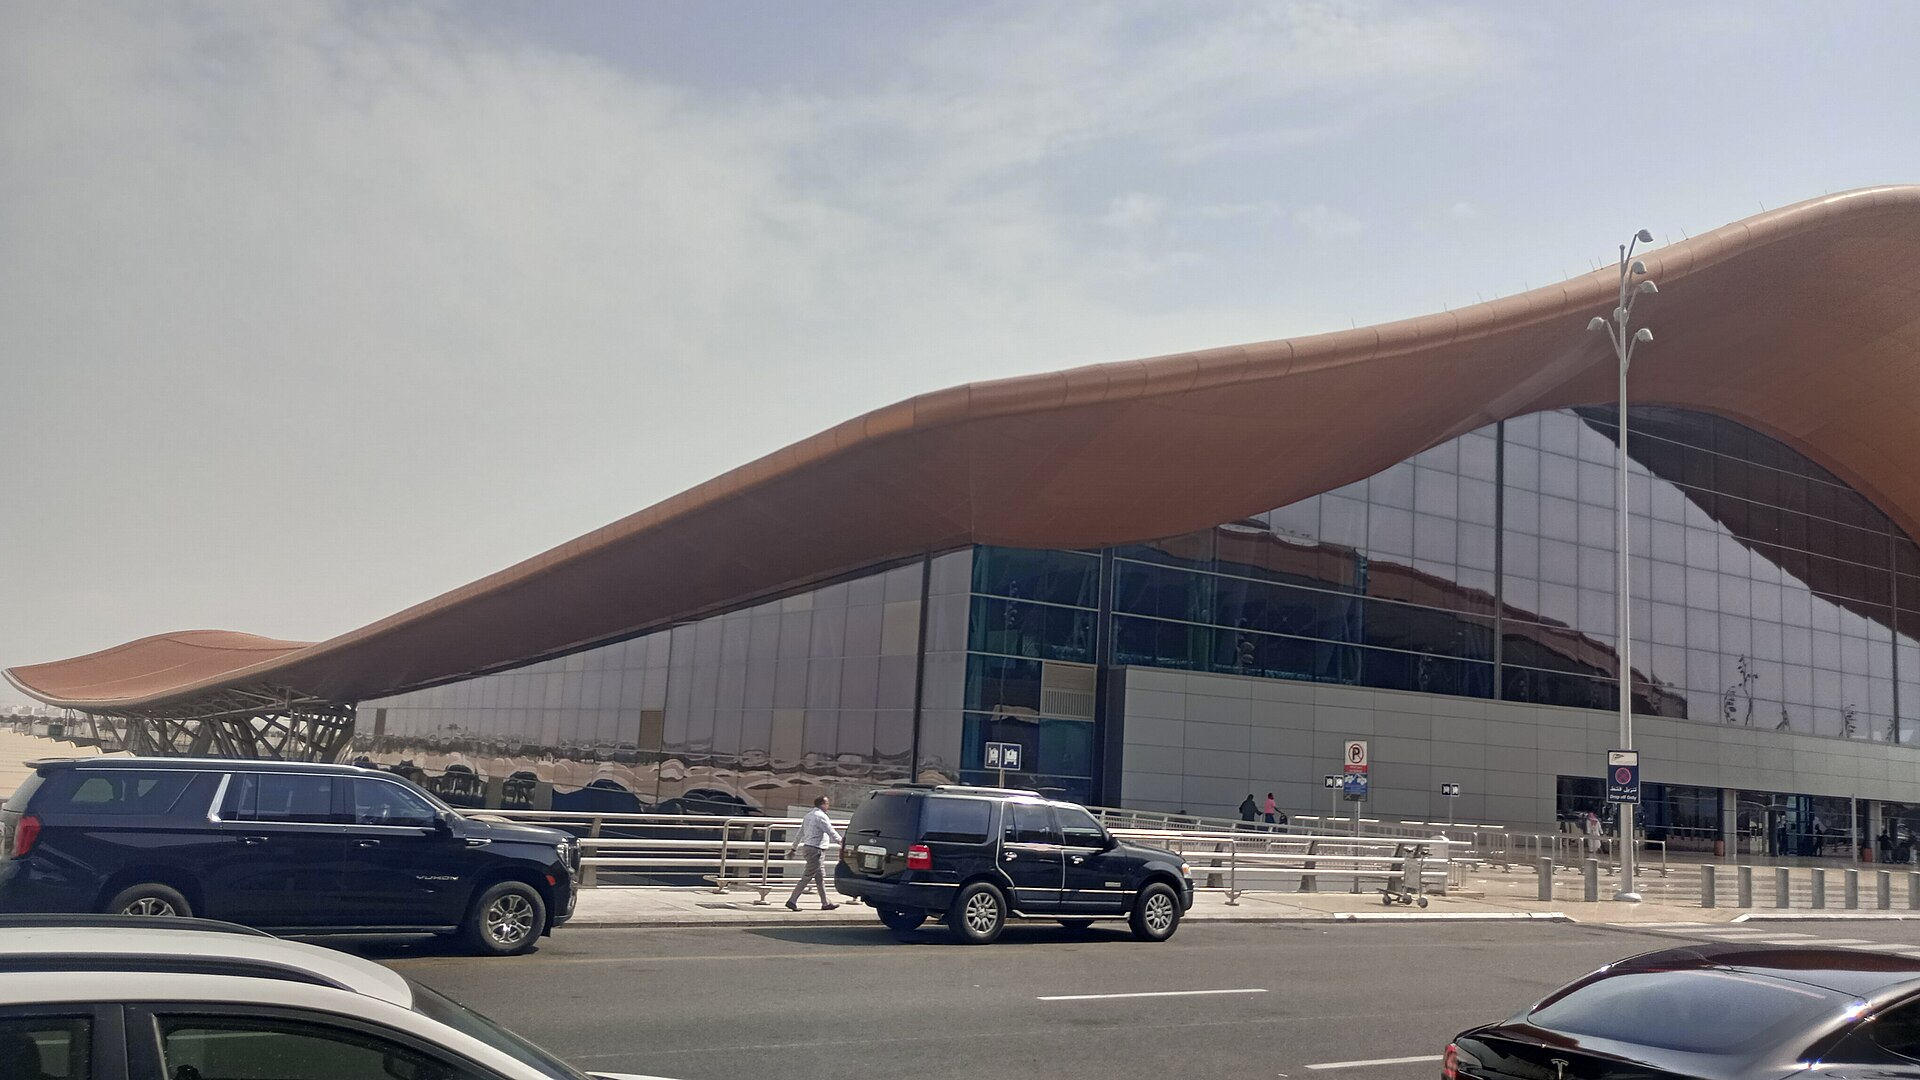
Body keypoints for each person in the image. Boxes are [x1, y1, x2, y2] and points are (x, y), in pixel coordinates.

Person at [786, 795, 842, 912]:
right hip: (816, 850)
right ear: (822, 804)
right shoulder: (821, 816)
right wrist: (842, 842)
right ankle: (792, 900)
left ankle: (825, 903)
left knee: (820, 877)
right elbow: (830, 831)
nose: (828, 806)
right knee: (807, 876)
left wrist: (794, 848)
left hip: (808, 848)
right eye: (827, 803)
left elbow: (800, 832)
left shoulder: (808, 815)